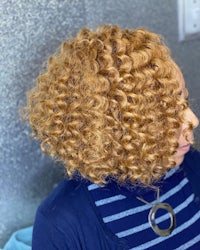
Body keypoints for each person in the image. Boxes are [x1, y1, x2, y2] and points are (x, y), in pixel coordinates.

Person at [24, 25, 200, 249]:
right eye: (166, 112)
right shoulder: (62, 224)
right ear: (112, 130)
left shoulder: (191, 166)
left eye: (183, 101)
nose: (193, 120)